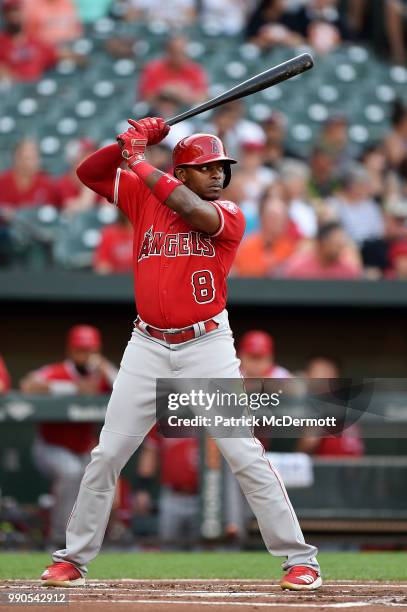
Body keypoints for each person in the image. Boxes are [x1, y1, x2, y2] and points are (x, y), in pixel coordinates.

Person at [40, 117, 321, 590]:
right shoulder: (143, 195)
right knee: (108, 454)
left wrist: (137, 160)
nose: (217, 175)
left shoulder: (228, 212)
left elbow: (191, 209)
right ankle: (72, 558)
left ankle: (300, 559)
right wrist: (127, 144)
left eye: (221, 167)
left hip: (207, 345)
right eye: (205, 167)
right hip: (146, 345)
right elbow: (89, 174)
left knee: (242, 452)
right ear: (182, 170)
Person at [21, 325, 118, 548]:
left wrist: (102, 366)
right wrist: (72, 388)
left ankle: (99, 539)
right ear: (70, 351)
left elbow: (123, 387)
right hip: (51, 447)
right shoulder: (57, 371)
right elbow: (28, 385)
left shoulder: (100, 375)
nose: (84, 355)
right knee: (70, 472)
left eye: (90, 350)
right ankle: (58, 539)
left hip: (84, 448)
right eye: (80, 350)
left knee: (101, 476)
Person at [134, 424, 200, 548]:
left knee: (207, 550)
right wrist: (143, 488)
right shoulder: (166, 415)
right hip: (173, 495)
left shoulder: (211, 415)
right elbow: (150, 452)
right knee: (168, 548)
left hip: (206, 496)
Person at [296, 356, 365, 457]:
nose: (322, 377)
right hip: (326, 466)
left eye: (327, 372)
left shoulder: (344, 403)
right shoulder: (307, 404)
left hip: (343, 465)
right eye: (318, 372)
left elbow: (309, 443)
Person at [234, 190, 304, 277]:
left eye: (282, 218)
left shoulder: (292, 249)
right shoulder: (246, 246)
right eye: (274, 217)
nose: (279, 222)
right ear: (262, 218)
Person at [138, 36, 208, 104]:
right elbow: (146, 98)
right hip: (159, 111)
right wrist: (163, 92)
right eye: (176, 52)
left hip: (187, 109)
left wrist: (182, 95)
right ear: (168, 52)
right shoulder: (153, 68)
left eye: (183, 53)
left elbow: (202, 97)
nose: (179, 56)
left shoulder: (194, 69)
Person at [0, 0, 58, 83]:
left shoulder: (37, 42)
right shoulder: (2, 42)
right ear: (5, 15)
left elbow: (55, 54)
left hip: (36, 89)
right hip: (12, 90)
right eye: (10, 11)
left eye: (17, 11)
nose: (14, 15)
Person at [283, 222, 362, 280]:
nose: (340, 248)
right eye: (336, 244)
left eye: (342, 244)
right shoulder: (297, 269)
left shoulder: (348, 271)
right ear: (321, 243)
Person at [0, 139, 59, 213]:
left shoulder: (46, 184)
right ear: (16, 158)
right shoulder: (3, 182)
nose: (31, 163)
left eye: (34, 158)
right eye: (27, 158)